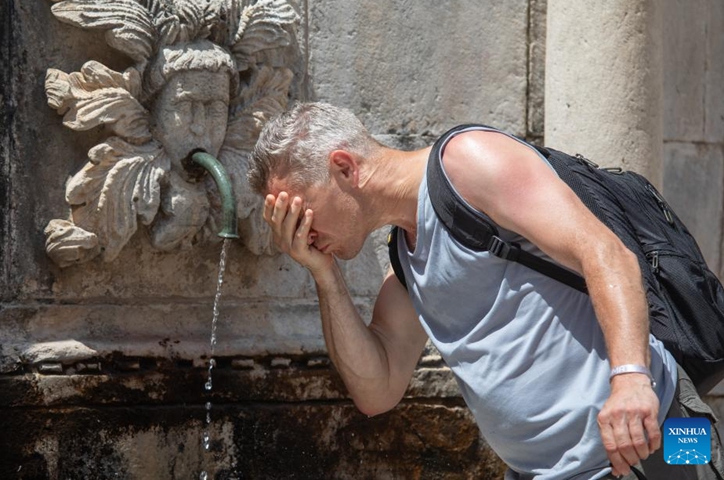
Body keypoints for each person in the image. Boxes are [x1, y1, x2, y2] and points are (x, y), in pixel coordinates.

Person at [247, 102, 723, 479]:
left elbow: (605, 252)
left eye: (300, 210)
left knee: (705, 455)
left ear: (344, 167)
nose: (297, 231)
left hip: (657, 430)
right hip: (550, 471)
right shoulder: (407, 261)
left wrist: (630, 379)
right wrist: (323, 274)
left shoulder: (466, 163)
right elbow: (378, 391)